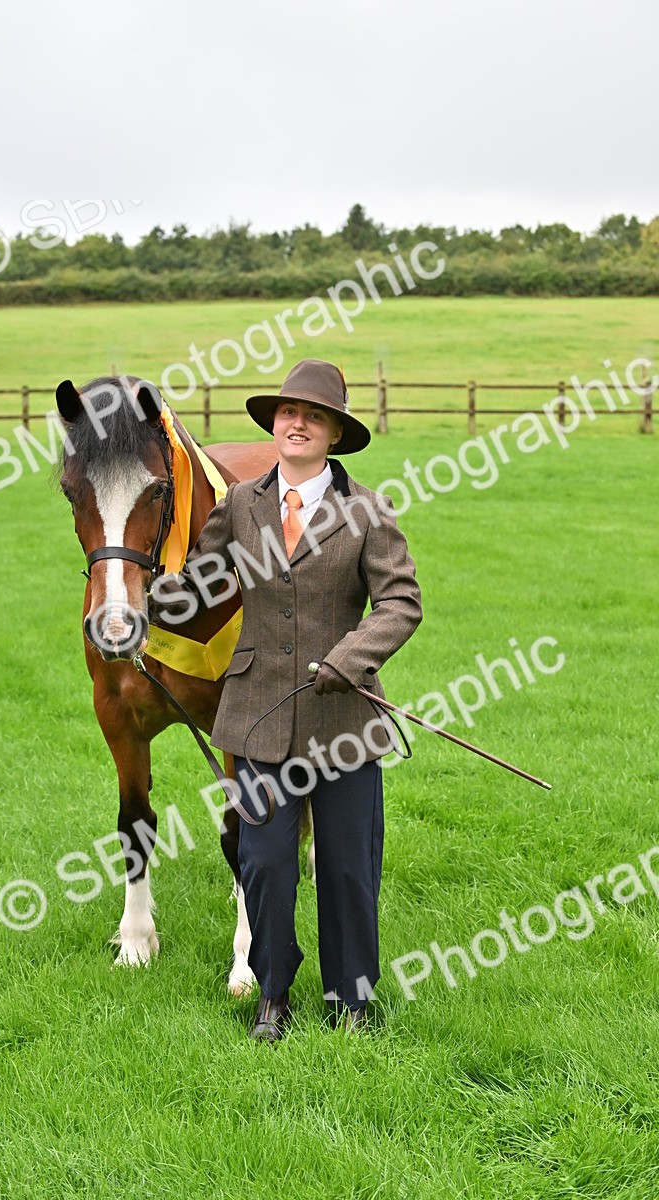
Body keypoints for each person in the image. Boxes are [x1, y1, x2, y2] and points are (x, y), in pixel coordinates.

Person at [163, 359, 422, 1040]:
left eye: (313, 415)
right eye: (287, 413)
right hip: (256, 716)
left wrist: (352, 656)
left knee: (347, 867)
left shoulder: (368, 510)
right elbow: (198, 590)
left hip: (346, 719)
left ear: (335, 431)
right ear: (274, 425)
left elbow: (401, 602)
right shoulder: (241, 506)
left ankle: (352, 1001)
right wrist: (140, 598)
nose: (297, 423)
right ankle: (272, 992)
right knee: (265, 863)